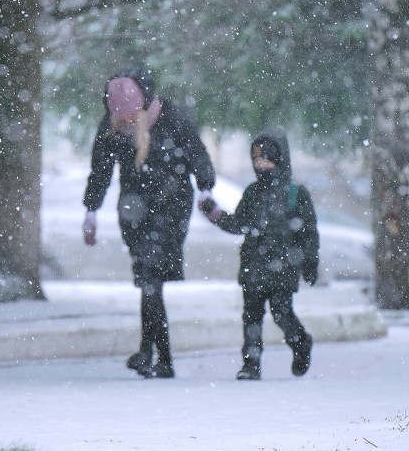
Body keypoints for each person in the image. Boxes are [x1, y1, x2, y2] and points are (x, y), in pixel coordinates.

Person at [82, 67, 216, 379]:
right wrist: (91, 210)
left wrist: (205, 189)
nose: (125, 125)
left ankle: (155, 355)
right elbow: (100, 169)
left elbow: (199, 156)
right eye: (120, 119)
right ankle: (154, 356)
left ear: (143, 110)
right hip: (133, 211)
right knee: (148, 283)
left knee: (150, 281)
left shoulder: (172, 119)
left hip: (170, 210)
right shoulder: (112, 125)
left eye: (131, 119)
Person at [198, 129, 319, 380]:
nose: (260, 165)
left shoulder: (295, 194)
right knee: (251, 316)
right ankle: (251, 364)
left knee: (280, 311)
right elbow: (238, 223)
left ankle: (300, 343)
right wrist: (215, 214)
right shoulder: (253, 193)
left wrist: (310, 262)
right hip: (253, 265)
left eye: (266, 159)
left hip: (283, 267)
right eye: (256, 160)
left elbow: (308, 233)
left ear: (279, 159)